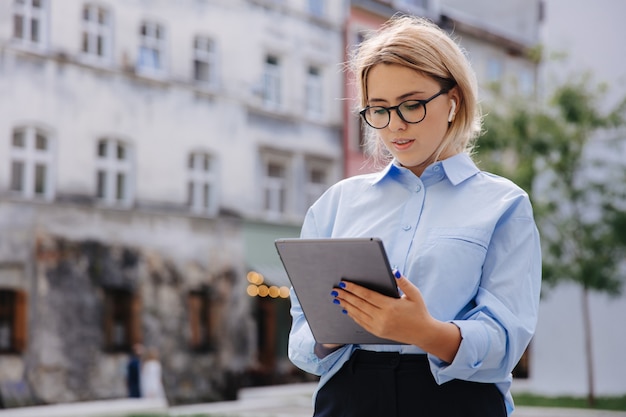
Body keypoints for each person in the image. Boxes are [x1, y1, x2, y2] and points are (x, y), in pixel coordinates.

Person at [288, 14, 542, 417]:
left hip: (456, 400)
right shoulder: (336, 203)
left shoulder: (504, 205)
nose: (395, 126)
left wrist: (423, 331)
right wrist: (335, 331)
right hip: (348, 399)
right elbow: (301, 340)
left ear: (453, 100)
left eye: (412, 105)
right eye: (379, 109)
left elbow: (505, 341)